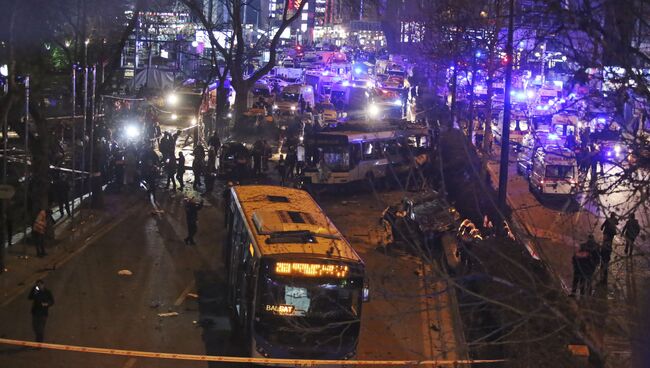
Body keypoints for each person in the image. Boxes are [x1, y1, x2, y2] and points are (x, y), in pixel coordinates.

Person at [599, 213, 618, 285]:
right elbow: (617, 223)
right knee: (610, 241)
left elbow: (603, 224)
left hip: (607, 232)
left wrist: (602, 227)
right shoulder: (614, 219)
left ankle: (606, 247)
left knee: (606, 242)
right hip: (612, 233)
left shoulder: (608, 219)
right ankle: (608, 247)